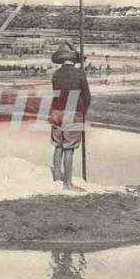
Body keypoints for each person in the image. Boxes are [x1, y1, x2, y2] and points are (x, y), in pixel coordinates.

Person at [49, 42, 91, 192]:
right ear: (73, 59)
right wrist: (83, 112)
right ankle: (67, 184)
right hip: (73, 111)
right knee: (69, 149)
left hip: (56, 111)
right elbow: (87, 97)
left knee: (58, 145)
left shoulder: (56, 74)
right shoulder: (79, 74)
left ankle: (56, 175)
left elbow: (56, 95)